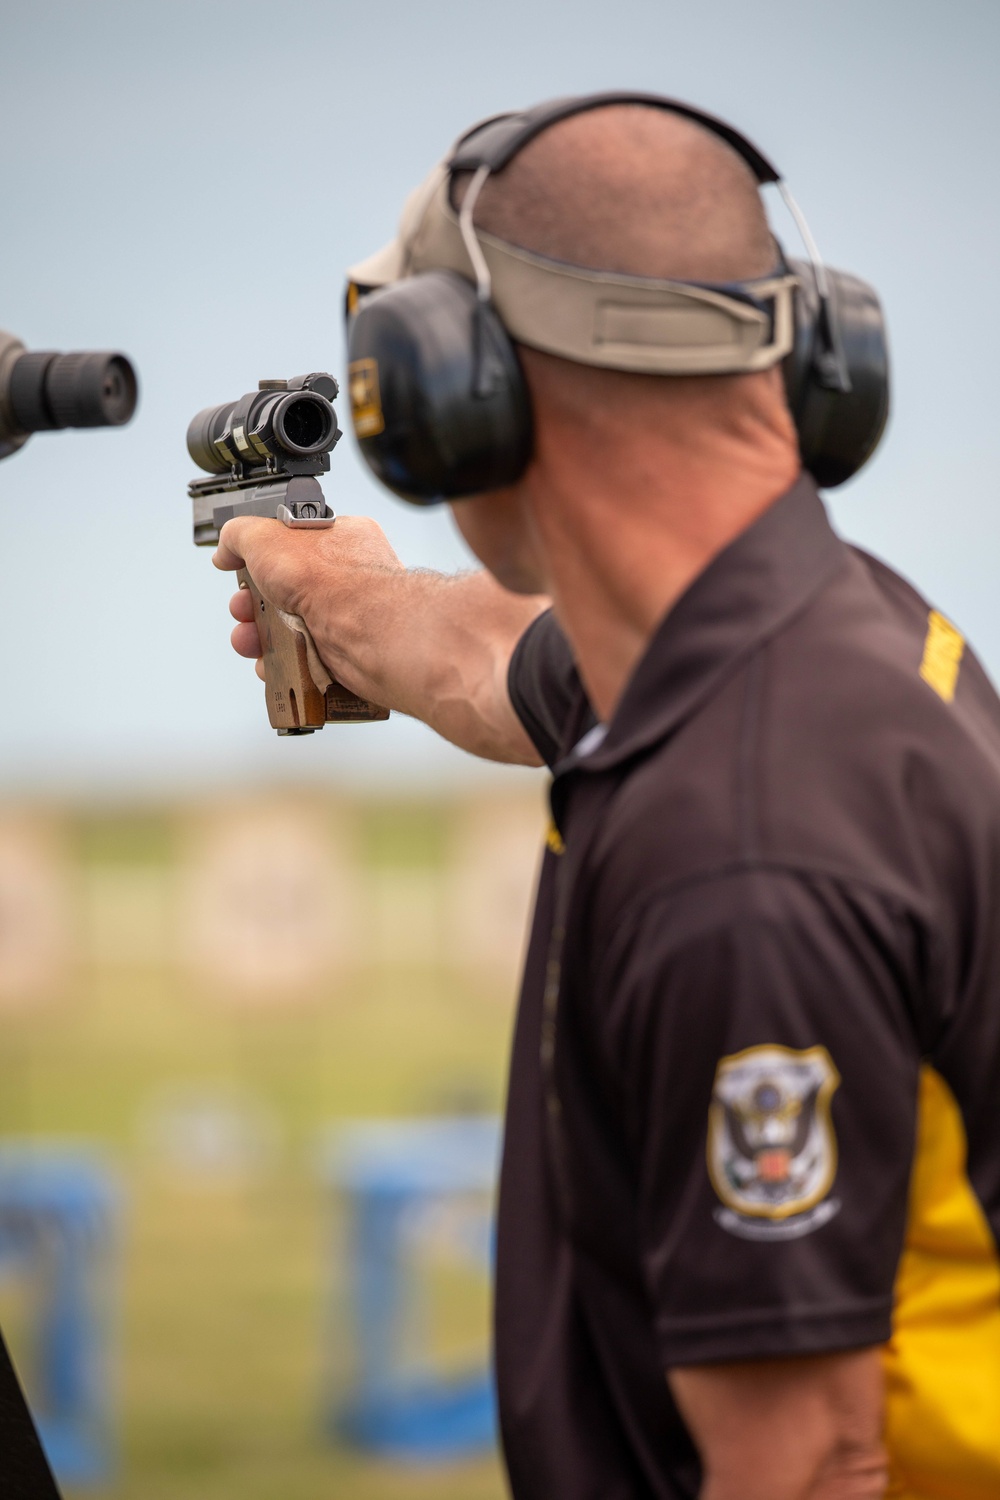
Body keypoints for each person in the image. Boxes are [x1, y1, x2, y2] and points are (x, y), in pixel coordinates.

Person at [213, 99, 1000, 1500]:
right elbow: (481, 656)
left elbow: (810, 1465)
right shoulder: (808, 640)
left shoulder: (742, 853)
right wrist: (325, 583)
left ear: (456, 387)